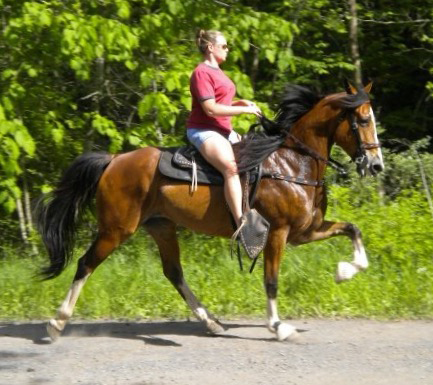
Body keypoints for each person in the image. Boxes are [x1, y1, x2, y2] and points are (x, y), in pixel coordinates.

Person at [186, 29, 262, 231]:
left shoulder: (218, 72)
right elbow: (210, 109)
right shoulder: (201, 72)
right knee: (230, 168)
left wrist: (239, 103)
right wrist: (244, 110)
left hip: (223, 130)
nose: (228, 49)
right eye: (224, 46)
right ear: (210, 48)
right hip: (204, 130)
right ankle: (241, 224)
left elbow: (220, 101)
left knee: (257, 160)